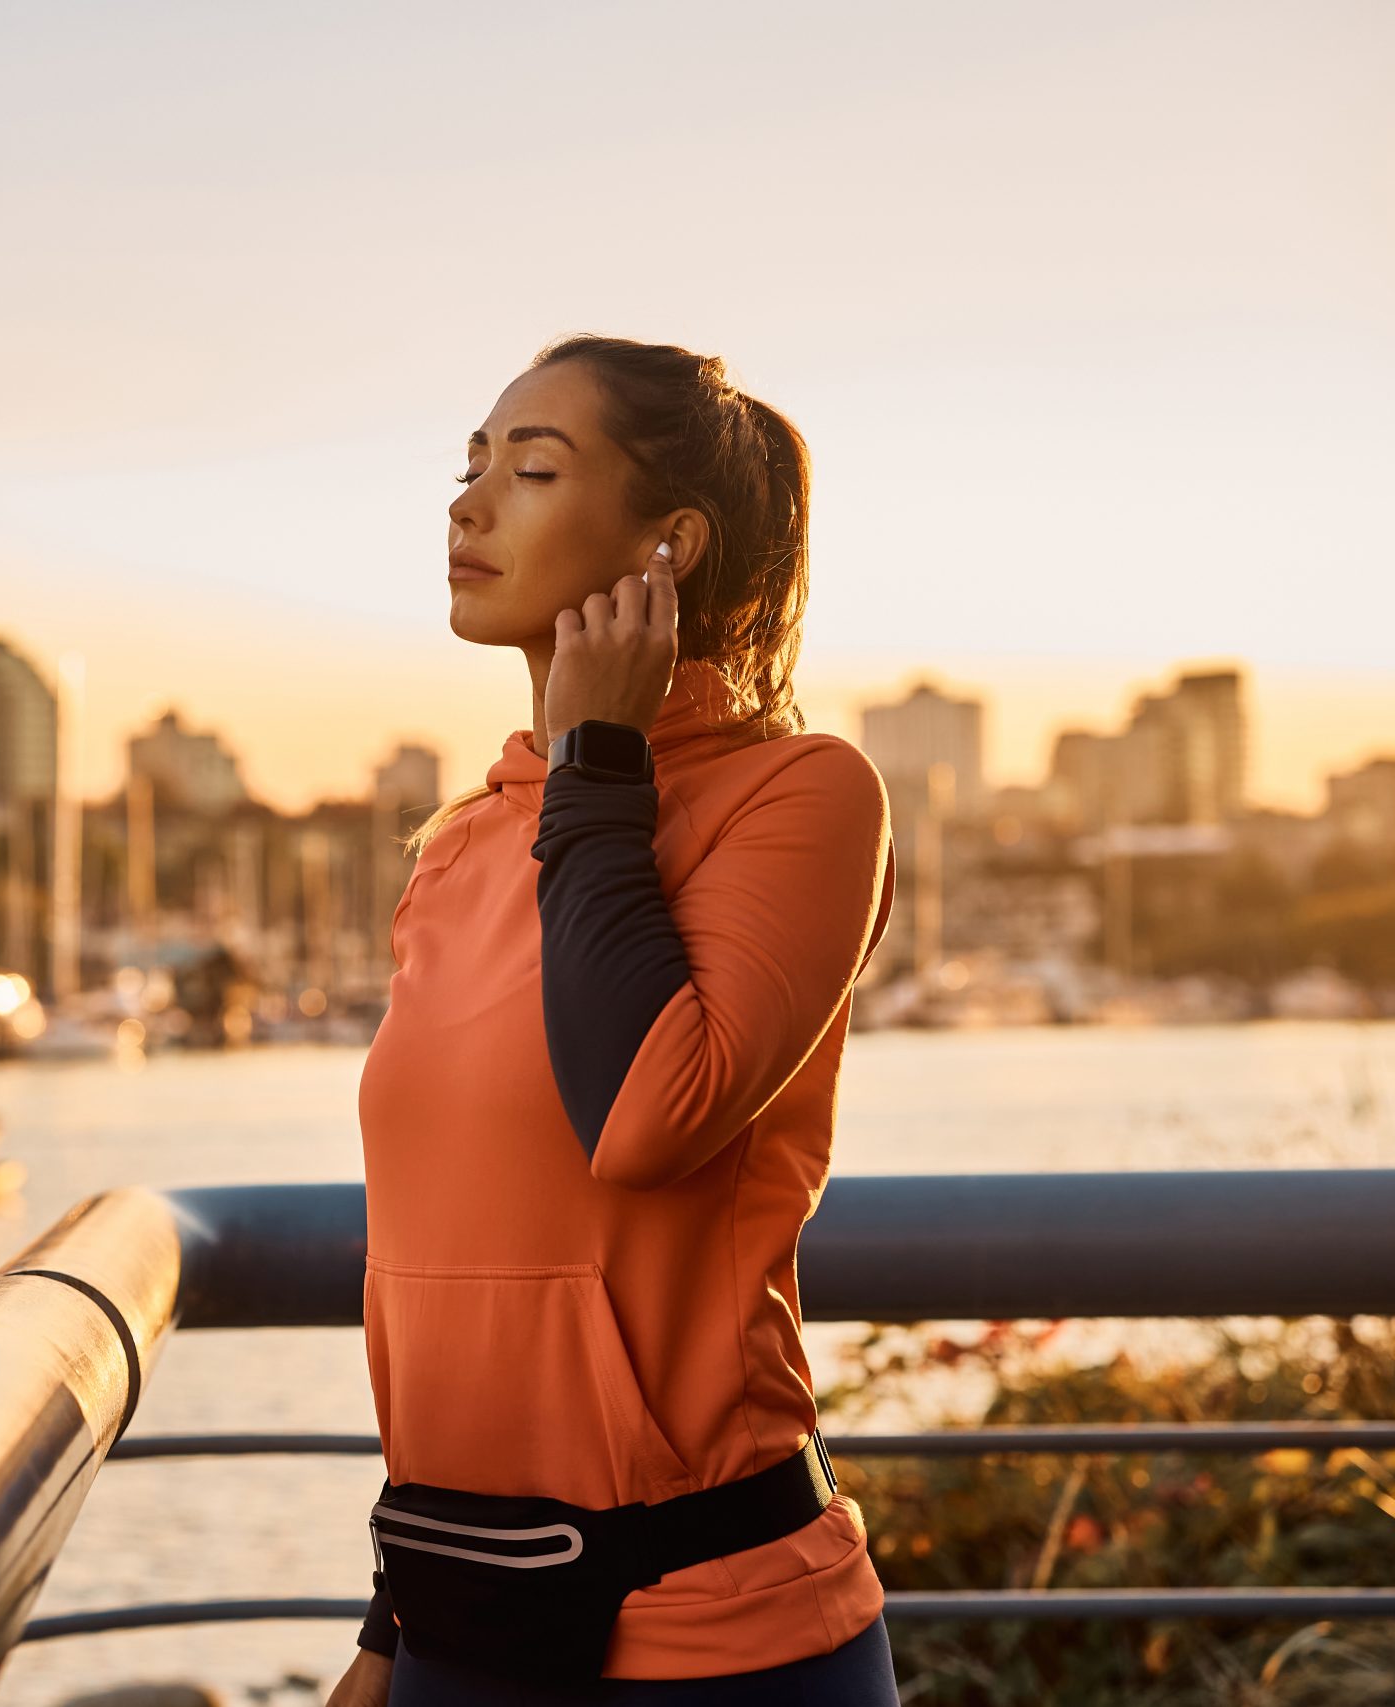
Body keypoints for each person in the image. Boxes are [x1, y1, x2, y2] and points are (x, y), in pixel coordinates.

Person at [326, 336, 900, 1706]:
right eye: (470, 466)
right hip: (462, 1617)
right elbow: (454, 1264)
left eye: (529, 469)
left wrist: (598, 762)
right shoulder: (460, 847)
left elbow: (646, 1116)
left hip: (718, 1639)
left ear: (670, 545)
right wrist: (387, 1629)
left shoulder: (805, 798)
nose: (468, 505)